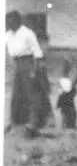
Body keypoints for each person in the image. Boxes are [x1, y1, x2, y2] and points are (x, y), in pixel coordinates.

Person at [5, 10, 46, 138]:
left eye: (11, 21)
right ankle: (15, 123)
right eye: (7, 21)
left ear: (18, 21)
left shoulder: (27, 33)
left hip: (29, 63)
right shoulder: (8, 34)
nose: (9, 23)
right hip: (16, 64)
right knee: (16, 94)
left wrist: (34, 70)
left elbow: (38, 53)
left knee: (31, 95)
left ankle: (33, 124)